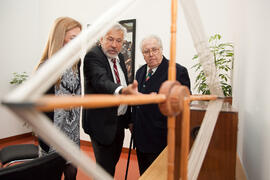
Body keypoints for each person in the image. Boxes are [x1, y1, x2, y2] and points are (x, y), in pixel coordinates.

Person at [83, 23, 138, 176]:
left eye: (119, 41)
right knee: (104, 170)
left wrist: (128, 120)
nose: (114, 45)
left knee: (111, 165)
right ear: (101, 38)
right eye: (110, 39)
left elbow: (122, 80)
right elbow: (101, 80)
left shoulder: (119, 56)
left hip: (118, 122)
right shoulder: (93, 55)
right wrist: (121, 90)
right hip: (101, 123)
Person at [132, 35, 191, 175]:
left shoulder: (176, 71)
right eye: (146, 51)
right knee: (145, 174)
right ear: (142, 54)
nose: (151, 54)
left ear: (161, 49)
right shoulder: (140, 72)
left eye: (154, 49)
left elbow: (184, 104)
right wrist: (131, 122)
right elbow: (135, 100)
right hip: (140, 136)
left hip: (162, 137)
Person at [36, 17, 82, 180]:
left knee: (72, 174)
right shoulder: (46, 68)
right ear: (59, 38)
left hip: (72, 136)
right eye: (73, 38)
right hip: (52, 137)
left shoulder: (77, 62)